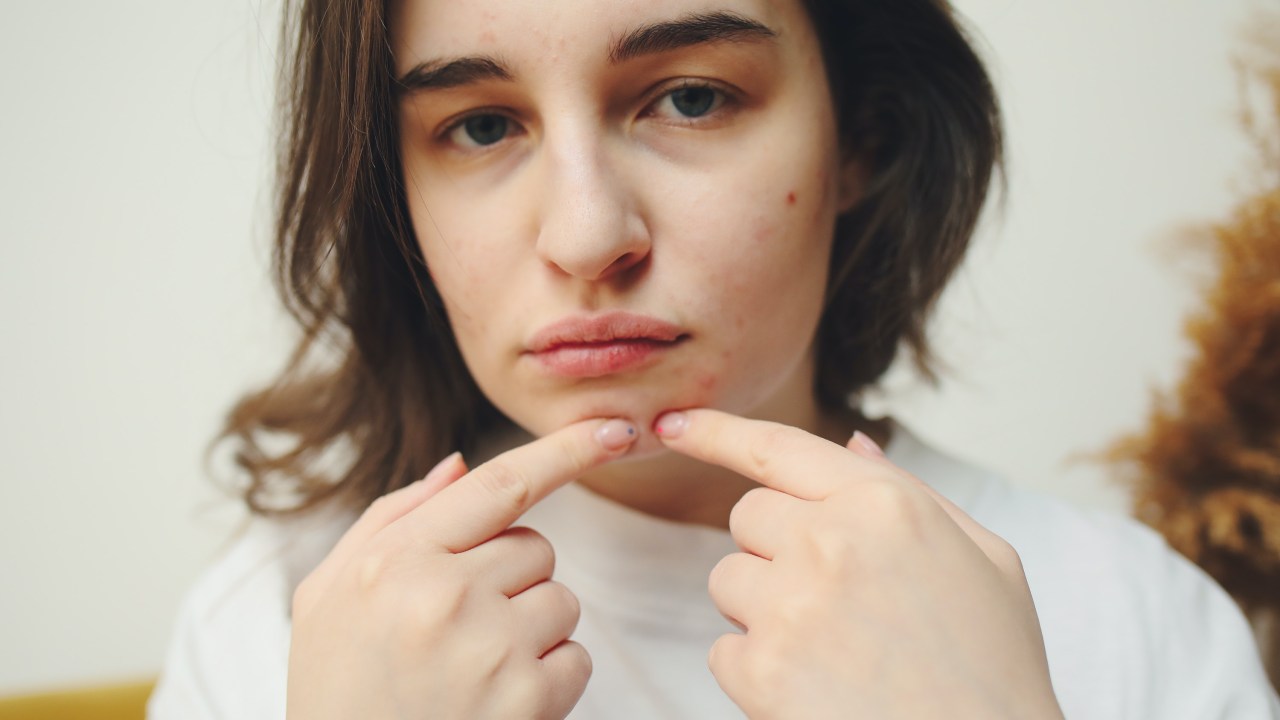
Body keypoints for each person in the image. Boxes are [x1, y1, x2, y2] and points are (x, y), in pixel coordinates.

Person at [149, 0, 1280, 717]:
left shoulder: (1131, 618)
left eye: (689, 98)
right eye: (482, 127)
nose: (589, 235)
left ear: (860, 142)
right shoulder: (272, 631)